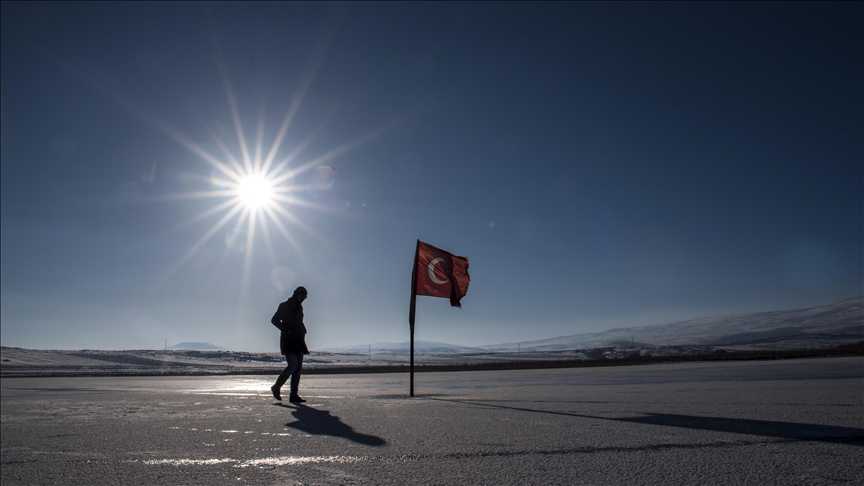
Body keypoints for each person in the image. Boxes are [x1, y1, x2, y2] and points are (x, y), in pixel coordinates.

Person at [270, 286, 310, 403]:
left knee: (298, 369)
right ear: (296, 294)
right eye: (302, 296)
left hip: (299, 341)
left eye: (305, 297)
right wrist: (286, 330)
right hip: (289, 341)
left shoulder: (300, 307)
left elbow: (299, 321)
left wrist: (303, 329)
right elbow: (274, 320)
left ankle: (293, 395)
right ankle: (276, 387)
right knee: (293, 366)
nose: (303, 299)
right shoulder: (285, 305)